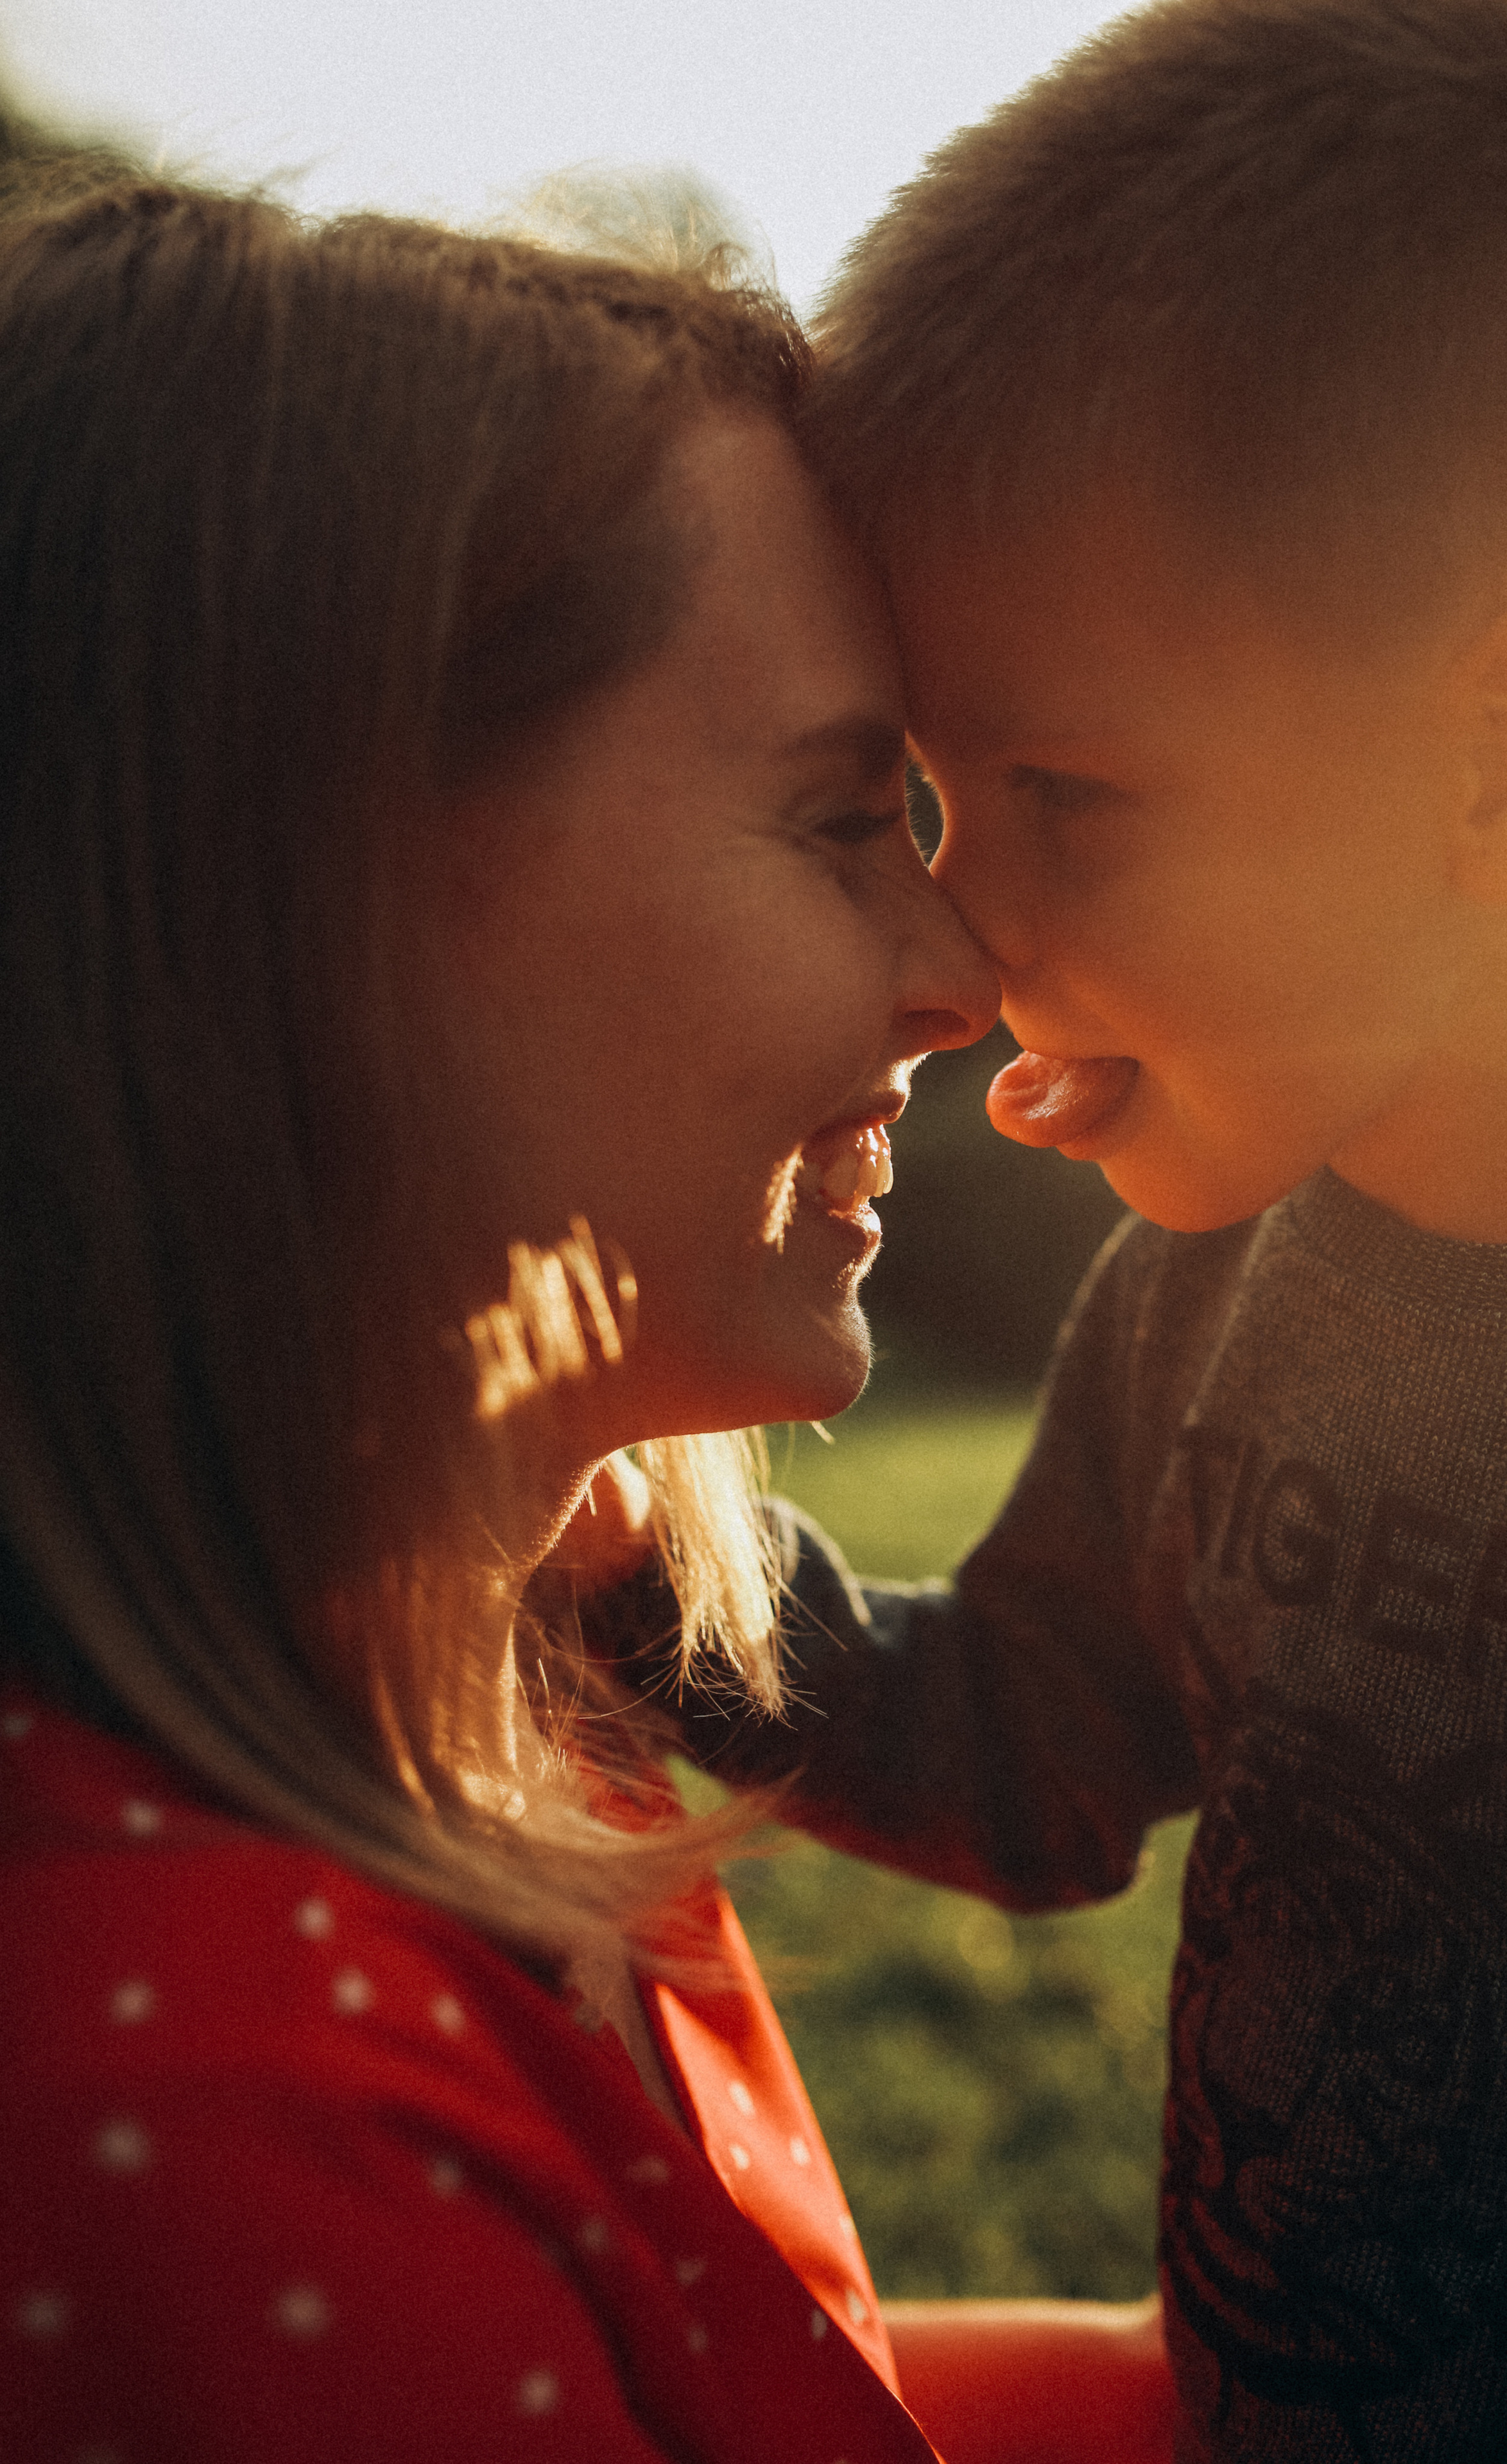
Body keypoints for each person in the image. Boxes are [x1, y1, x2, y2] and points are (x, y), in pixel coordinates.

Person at [587, 1, 1507, 2456]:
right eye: (933, 806)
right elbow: (1034, 1748)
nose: (967, 944)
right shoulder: (1214, 1282)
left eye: (1065, 794)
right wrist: (640, 1578)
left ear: (1504, 775)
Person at [0, 171, 1010, 2463]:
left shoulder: (514, 1709)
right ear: (313, 901)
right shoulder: (234, 2134)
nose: (965, 977)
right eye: (843, 821)